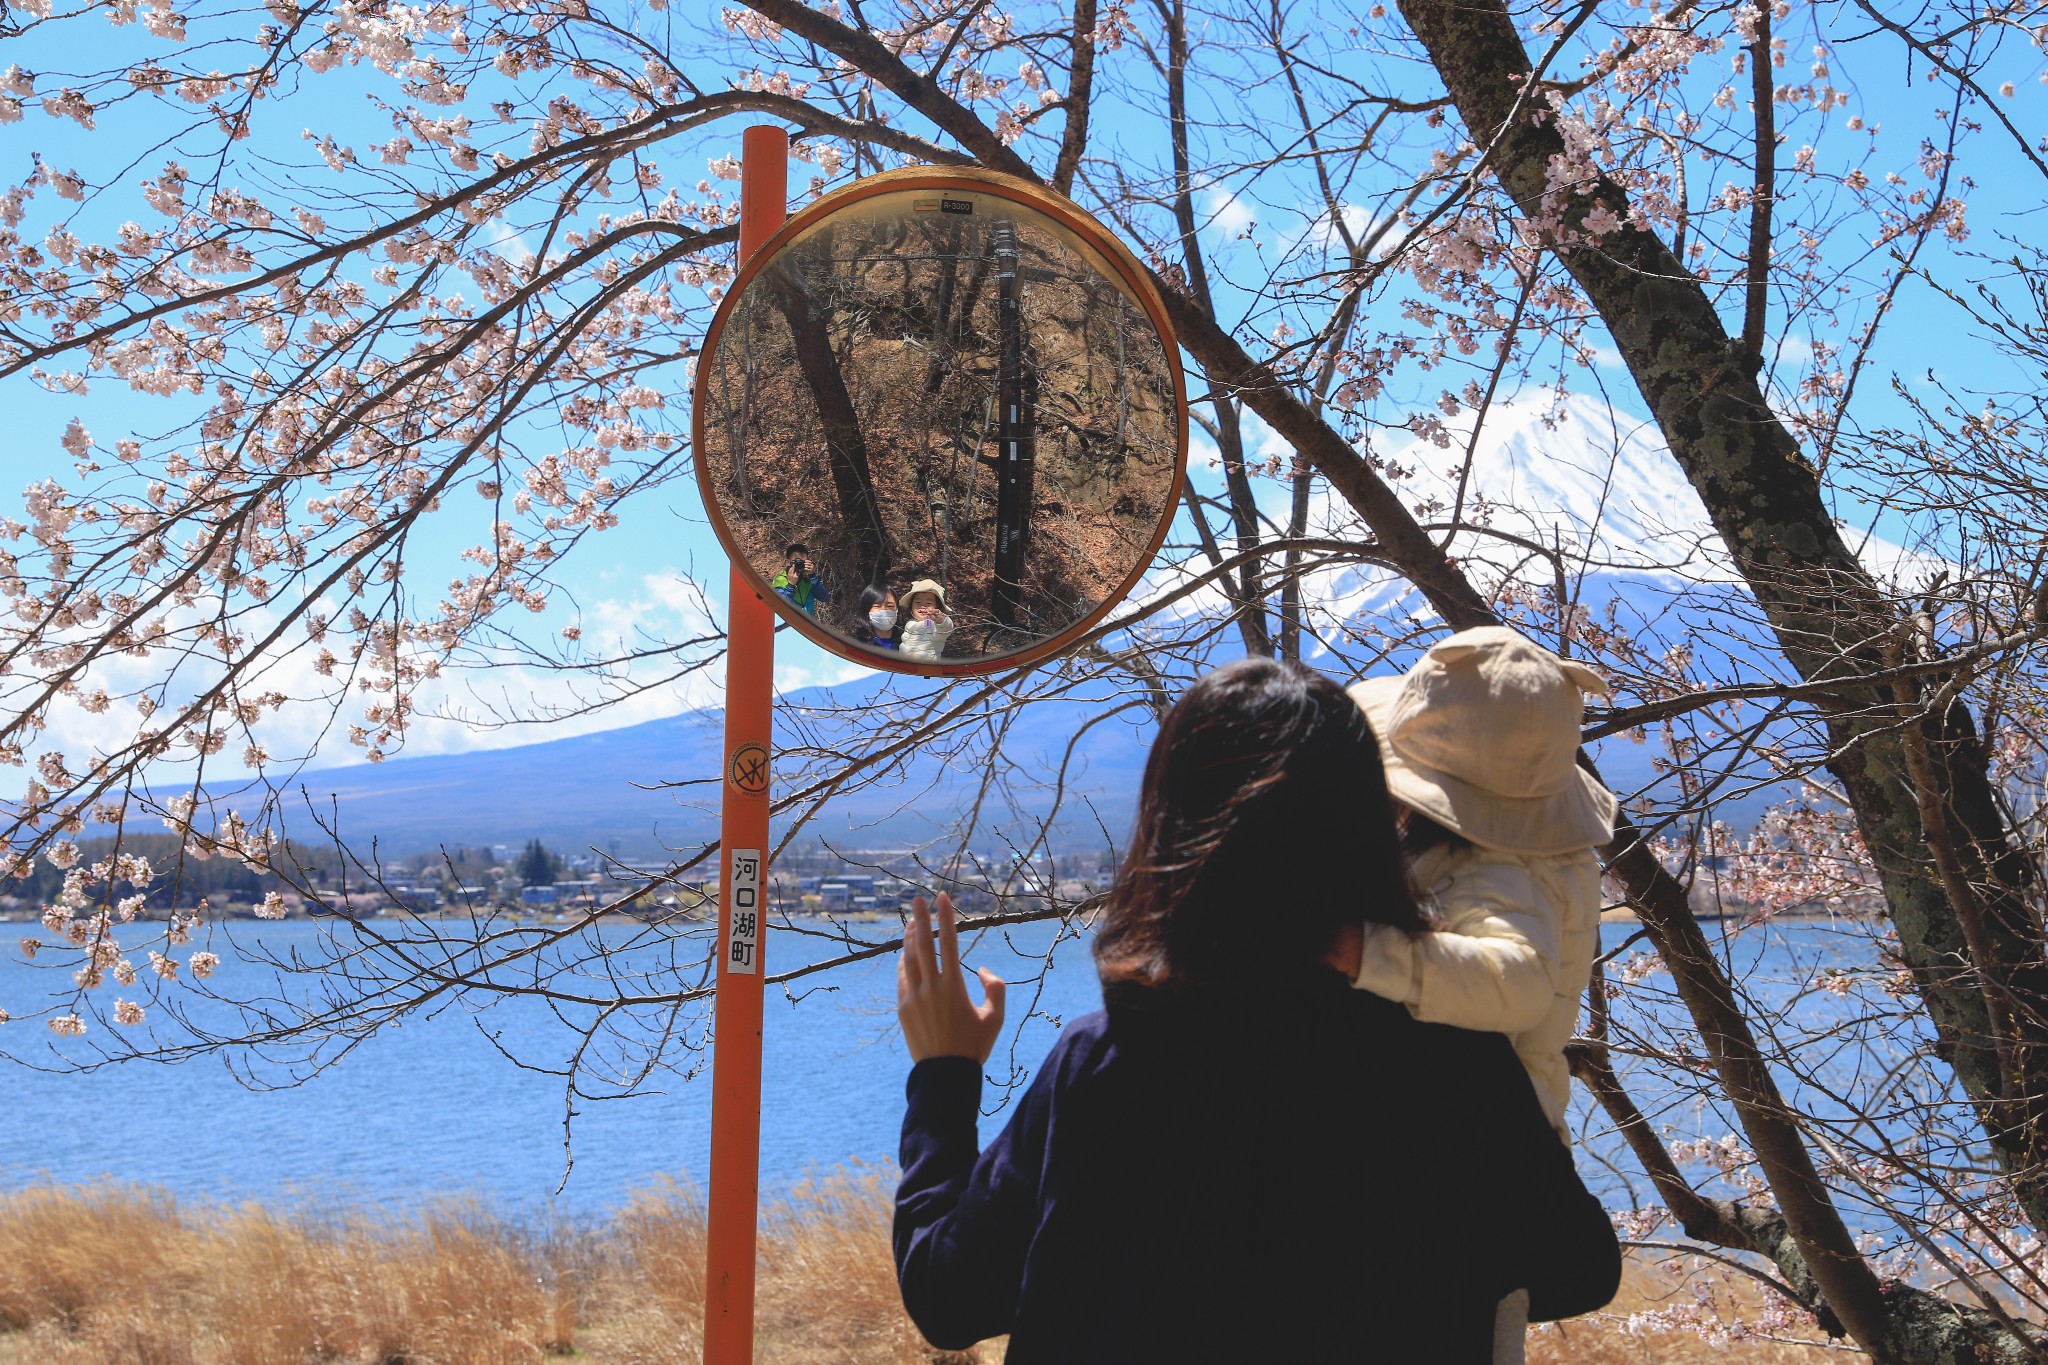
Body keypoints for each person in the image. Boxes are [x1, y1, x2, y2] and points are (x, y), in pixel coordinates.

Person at [893, 658, 1620, 1363]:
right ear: (1375, 826)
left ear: (1170, 831)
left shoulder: (1107, 1064)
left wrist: (944, 1075)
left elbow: (949, 1298)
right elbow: (1581, 1267)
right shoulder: (1462, 1064)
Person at [1343, 626, 1617, 1363]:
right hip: (1481, 1171)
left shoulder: (1507, 867)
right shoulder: (1530, 849)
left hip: (1478, 1184)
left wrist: (1364, 951)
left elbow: (1517, 981)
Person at [896, 577, 954, 662]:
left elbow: (946, 628)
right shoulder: (910, 621)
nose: (922, 606)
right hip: (904, 668)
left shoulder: (934, 624)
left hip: (927, 669)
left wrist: (942, 620)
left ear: (936, 606)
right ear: (911, 605)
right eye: (917, 602)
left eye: (928, 603)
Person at [771, 543, 830, 616]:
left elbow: (824, 597)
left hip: (808, 623)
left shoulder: (809, 579)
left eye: (803, 562)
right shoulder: (780, 580)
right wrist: (790, 585)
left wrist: (813, 576)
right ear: (788, 562)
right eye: (797, 561)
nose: (800, 565)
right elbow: (781, 607)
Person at [851, 584, 900, 651]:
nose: (884, 610)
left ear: (897, 610)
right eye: (877, 606)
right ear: (866, 610)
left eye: (890, 606)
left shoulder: (906, 643)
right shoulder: (857, 645)